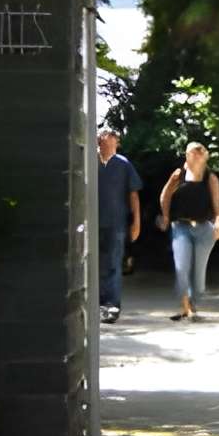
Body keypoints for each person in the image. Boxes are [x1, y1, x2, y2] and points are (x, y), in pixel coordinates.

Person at [157, 140, 219, 321]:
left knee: (198, 272)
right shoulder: (179, 175)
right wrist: (165, 215)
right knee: (181, 267)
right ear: (187, 155)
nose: (197, 155)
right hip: (181, 227)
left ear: (205, 156)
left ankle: (193, 304)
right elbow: (165, 195)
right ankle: (185, 307)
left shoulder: (210, 177)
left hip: (204, 228)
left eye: (200, 152)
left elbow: (217, 204)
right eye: (193, 152)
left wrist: (218, 223)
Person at [96, 127, 142, 322]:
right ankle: (95, 304)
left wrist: (136, 222)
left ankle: (111, 305)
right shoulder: (90, 162)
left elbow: (134, 194)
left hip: (116, 222)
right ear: (99, 140)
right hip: (92, 221)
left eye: (113, 138)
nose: (110, 140)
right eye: (106, 137)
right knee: (93, 264)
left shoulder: (123, 164)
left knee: (114, 263)